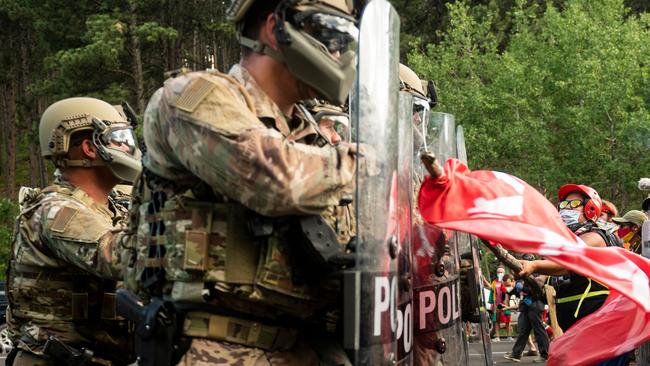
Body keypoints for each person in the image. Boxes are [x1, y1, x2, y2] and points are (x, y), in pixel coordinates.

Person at [126, 0, 365, 365]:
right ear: (276, 28)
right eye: (329, 36)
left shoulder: (312, 138)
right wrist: (373, 165)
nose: (337, 54)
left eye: (343, 41)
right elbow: (278, 181)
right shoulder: (192, 98)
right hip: (215, 348)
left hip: (303, 348)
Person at [6, 97, 142, 365]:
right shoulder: (56, 209)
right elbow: (118, 257)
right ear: (91, 148)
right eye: (119, 138)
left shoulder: (114, 207)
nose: (129, 147)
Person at [518, 184, 628, 366]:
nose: (566, 209)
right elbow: (549, 273)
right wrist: (534, 276)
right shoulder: (564, 243)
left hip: (603, 332)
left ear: (590, 208)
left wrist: (535, 265)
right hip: (577, 333)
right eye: (563, 205)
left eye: (574, 204)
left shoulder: (597, 236)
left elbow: (571, 261)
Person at [503, 273, 549, 363]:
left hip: (535, 304)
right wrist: (510, 290)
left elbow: (535, 290)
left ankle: (545, 354)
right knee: (523, 330)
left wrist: (522, 288)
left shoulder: (536, 277)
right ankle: (516, 353)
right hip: (526, 306)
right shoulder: (521, 279)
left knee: (538, 330)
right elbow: (516, 292)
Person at [489, 266, 507, 341]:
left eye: (501, 272)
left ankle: (509, 336)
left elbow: (508, 291)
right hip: (496, 303)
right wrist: (491, 303)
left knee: (507, 320)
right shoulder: (494, 282)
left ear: (504, 273)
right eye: (499, 272)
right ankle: (497, 336)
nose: (500, 273)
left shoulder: (507, 281)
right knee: (496, 320)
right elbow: (491, 291)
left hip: (505, 303)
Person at [500, 274, 515, 341]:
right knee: (505, 321)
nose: (507, 282)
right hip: (505, 306)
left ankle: (509, 335)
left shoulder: (513, 288)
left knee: (508, 322)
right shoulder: (503, 288)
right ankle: (508, 334)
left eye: (508, 281)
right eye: (505, 281)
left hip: (510, 306)